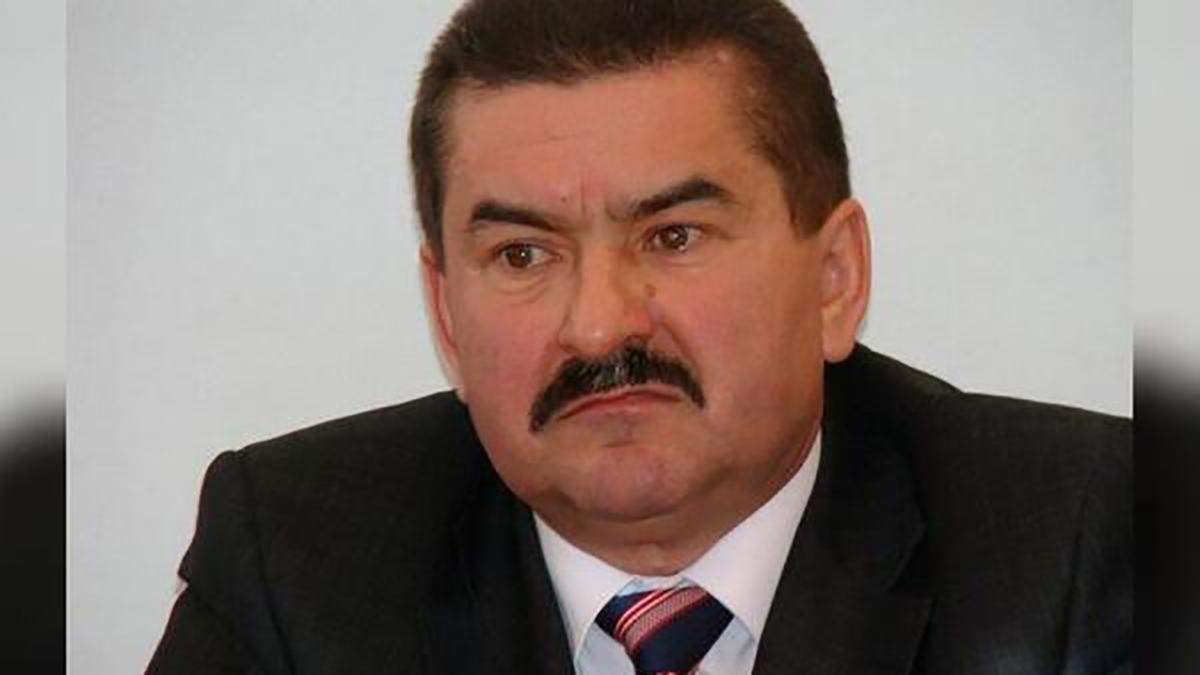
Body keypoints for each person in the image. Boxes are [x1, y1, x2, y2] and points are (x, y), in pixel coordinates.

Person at [147, 1, 1131, 673]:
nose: (599, 323)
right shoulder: (296, 561)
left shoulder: (1085, 540)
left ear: (835, 279)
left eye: (673, 236)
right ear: (446, 314)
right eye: (523, 254)